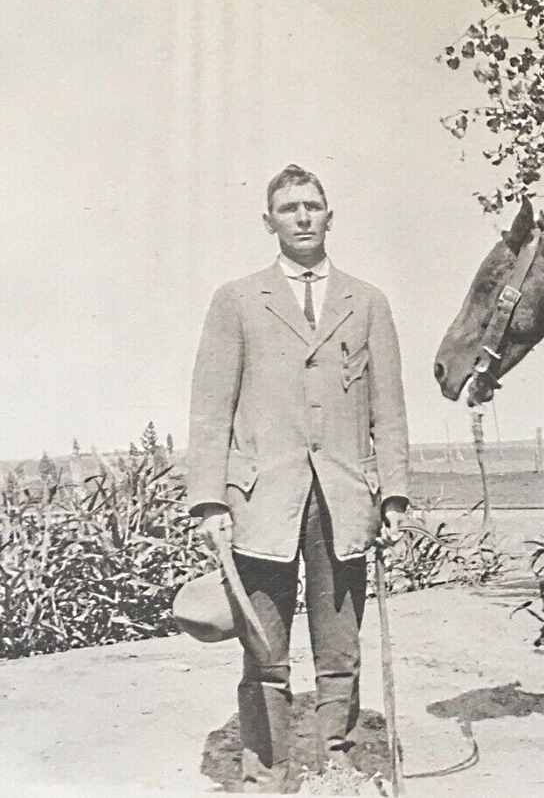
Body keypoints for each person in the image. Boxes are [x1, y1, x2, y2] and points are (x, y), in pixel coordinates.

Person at [186, 164, 410, 793]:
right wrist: (208, 501)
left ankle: (335, 761)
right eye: (289, 209)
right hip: (261, 501)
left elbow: (388, 407)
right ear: (269, 221)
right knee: (264, 648)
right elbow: (210, 408)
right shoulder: (236, 301)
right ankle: (265, 772)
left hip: (344, 498)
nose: (303, 217)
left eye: (313, 206)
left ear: (330, 217)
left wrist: (393, 492)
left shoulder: (366, 302)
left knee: (340, 649)